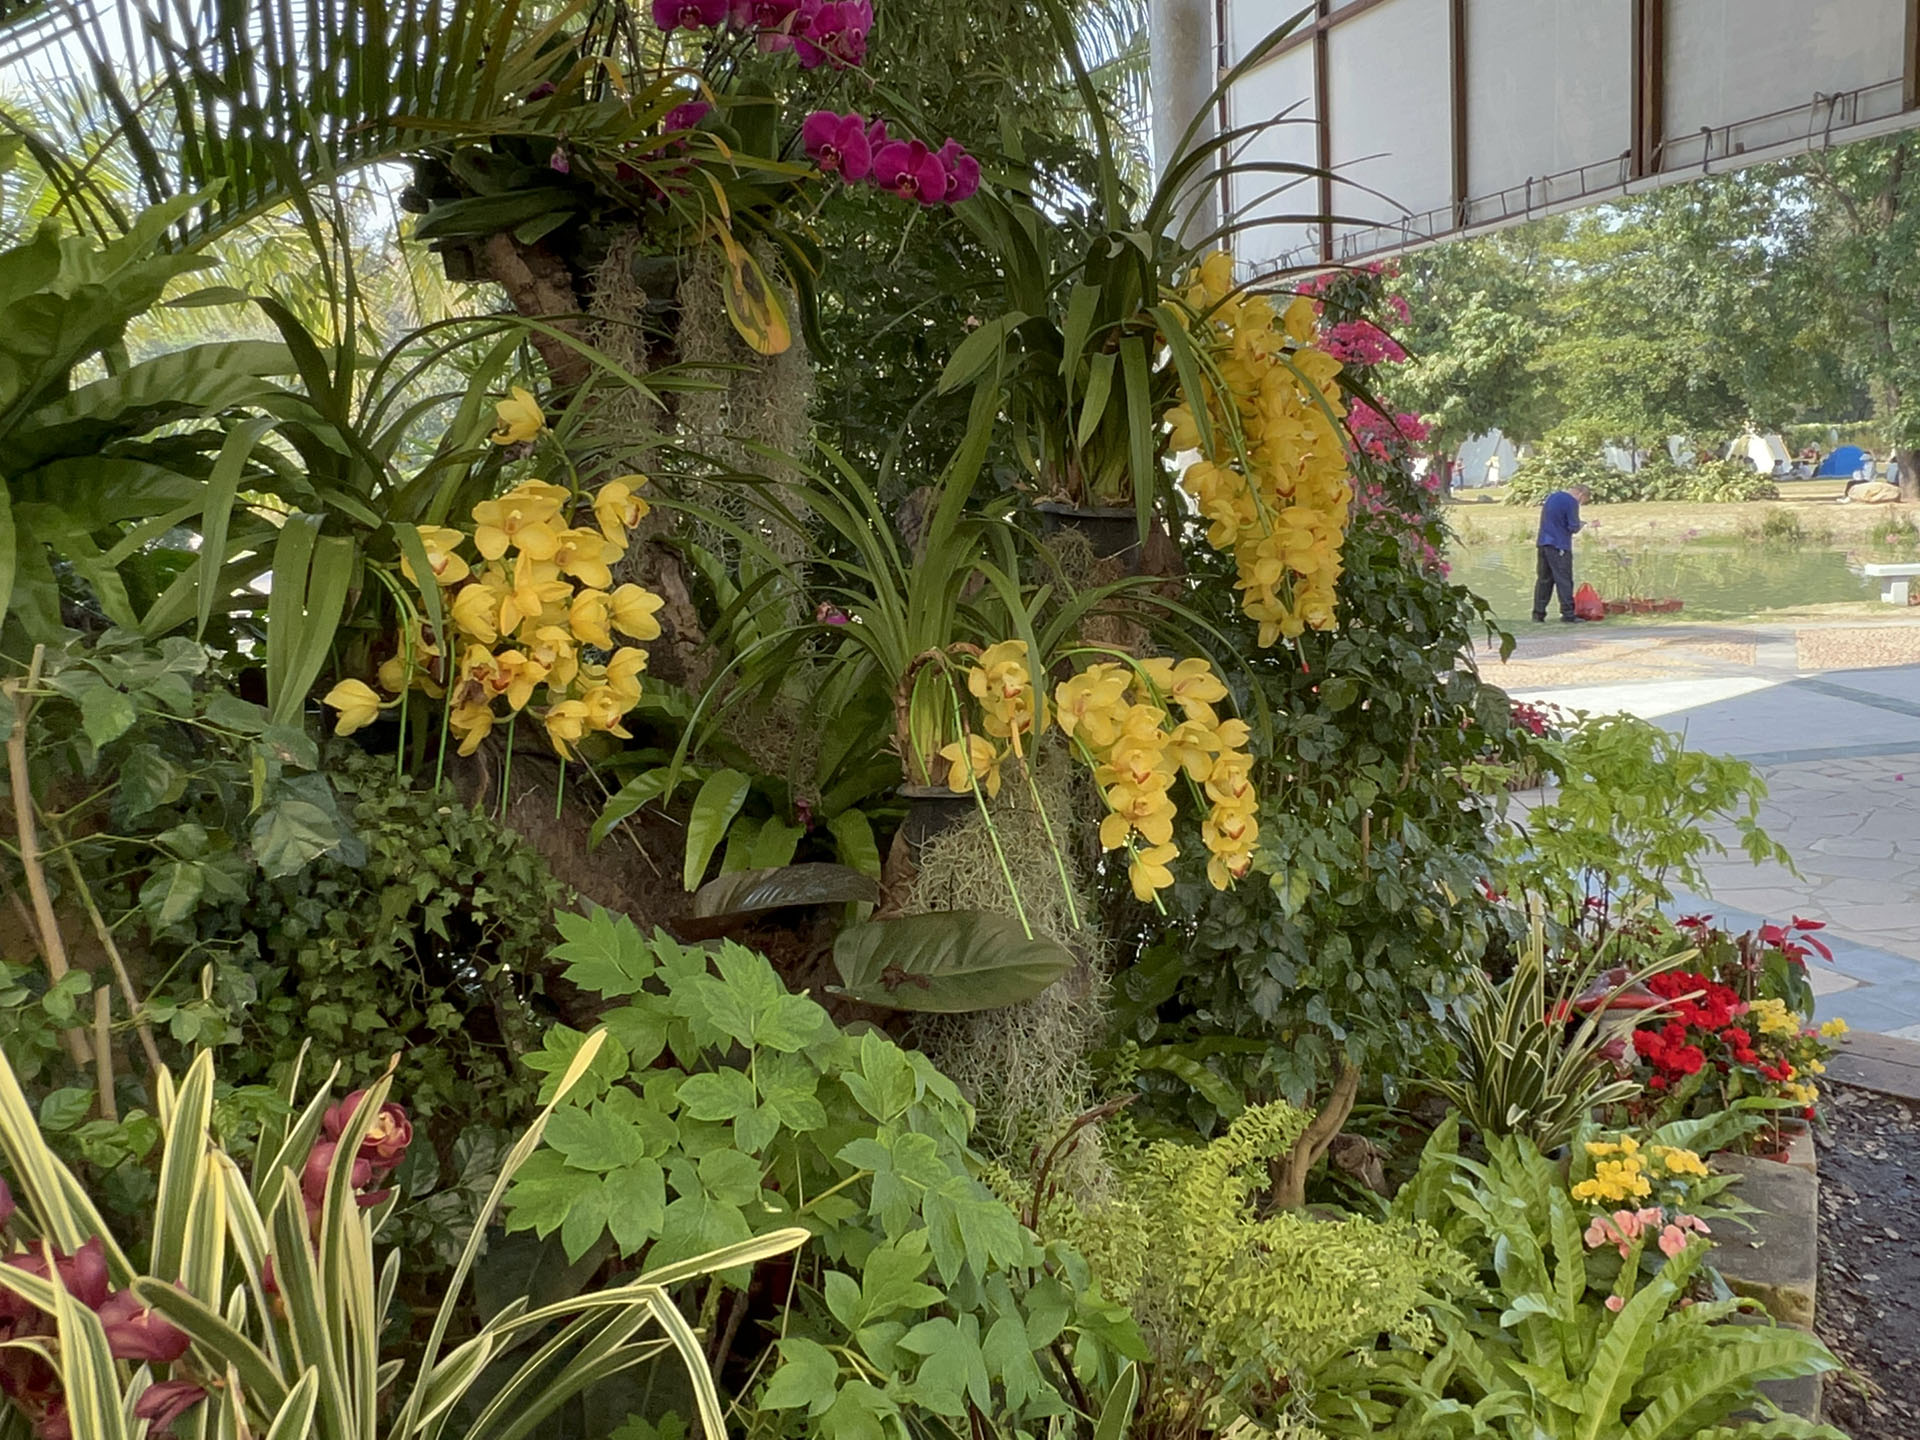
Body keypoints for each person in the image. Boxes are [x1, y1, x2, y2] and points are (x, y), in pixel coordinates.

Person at [1532, 483, 1592, 623]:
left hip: (1543, 542)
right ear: (1581, 495)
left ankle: (1538, 613)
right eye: (1583, 501)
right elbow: (1572, 526)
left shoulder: (1553, 497)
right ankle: (1568, 613)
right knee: (1564, 579)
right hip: (1559, 545)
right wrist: (1580, 525)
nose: (1581, 503)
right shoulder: (1571, 502)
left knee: (1544, 580)